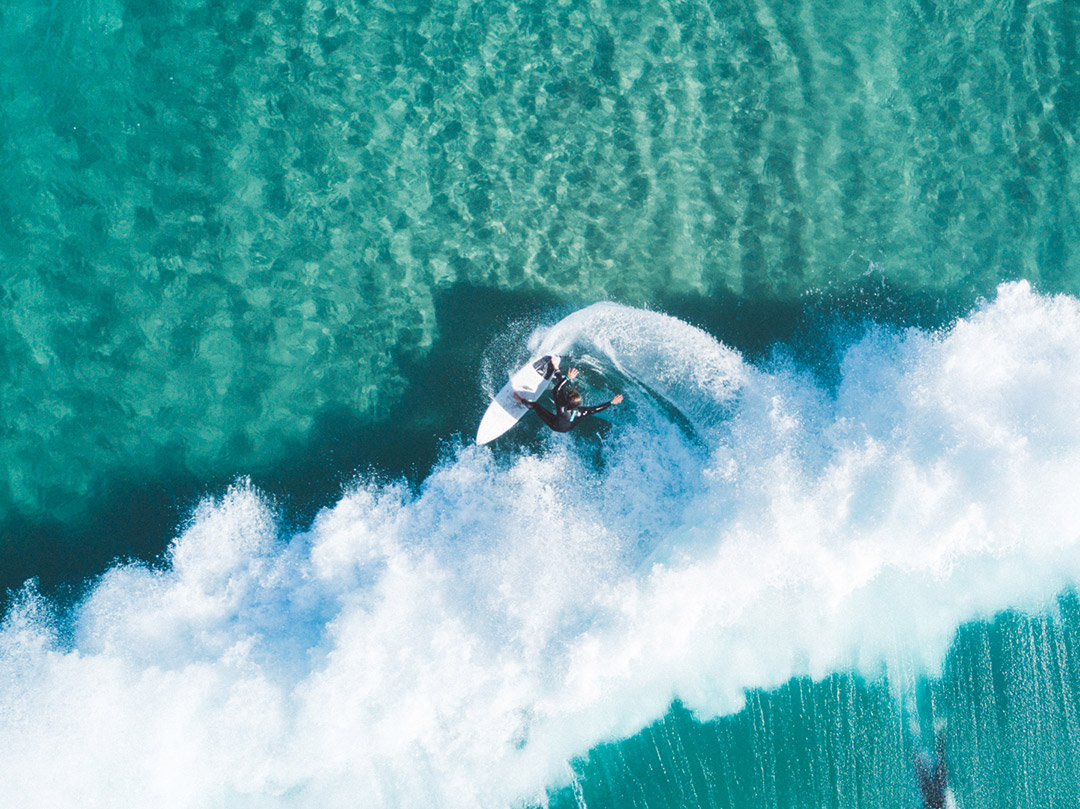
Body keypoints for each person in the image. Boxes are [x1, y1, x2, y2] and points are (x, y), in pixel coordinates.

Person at [513, 358, 623, 433]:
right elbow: (596, 409)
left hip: (556, 425)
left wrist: (567, 378)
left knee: (536, 405)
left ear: (567, 402)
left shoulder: (561, 407)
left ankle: (520, 400)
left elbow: (556, 389)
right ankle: (556, 368)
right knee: (563, 389)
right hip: (567, 426)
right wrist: (611, 402)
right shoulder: (582, 411)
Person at [913, 721, 955, 809]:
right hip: (934, 799)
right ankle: (938, 735)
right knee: (931, 775)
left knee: (929, 775)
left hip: (933, 799)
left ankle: (938, 734)